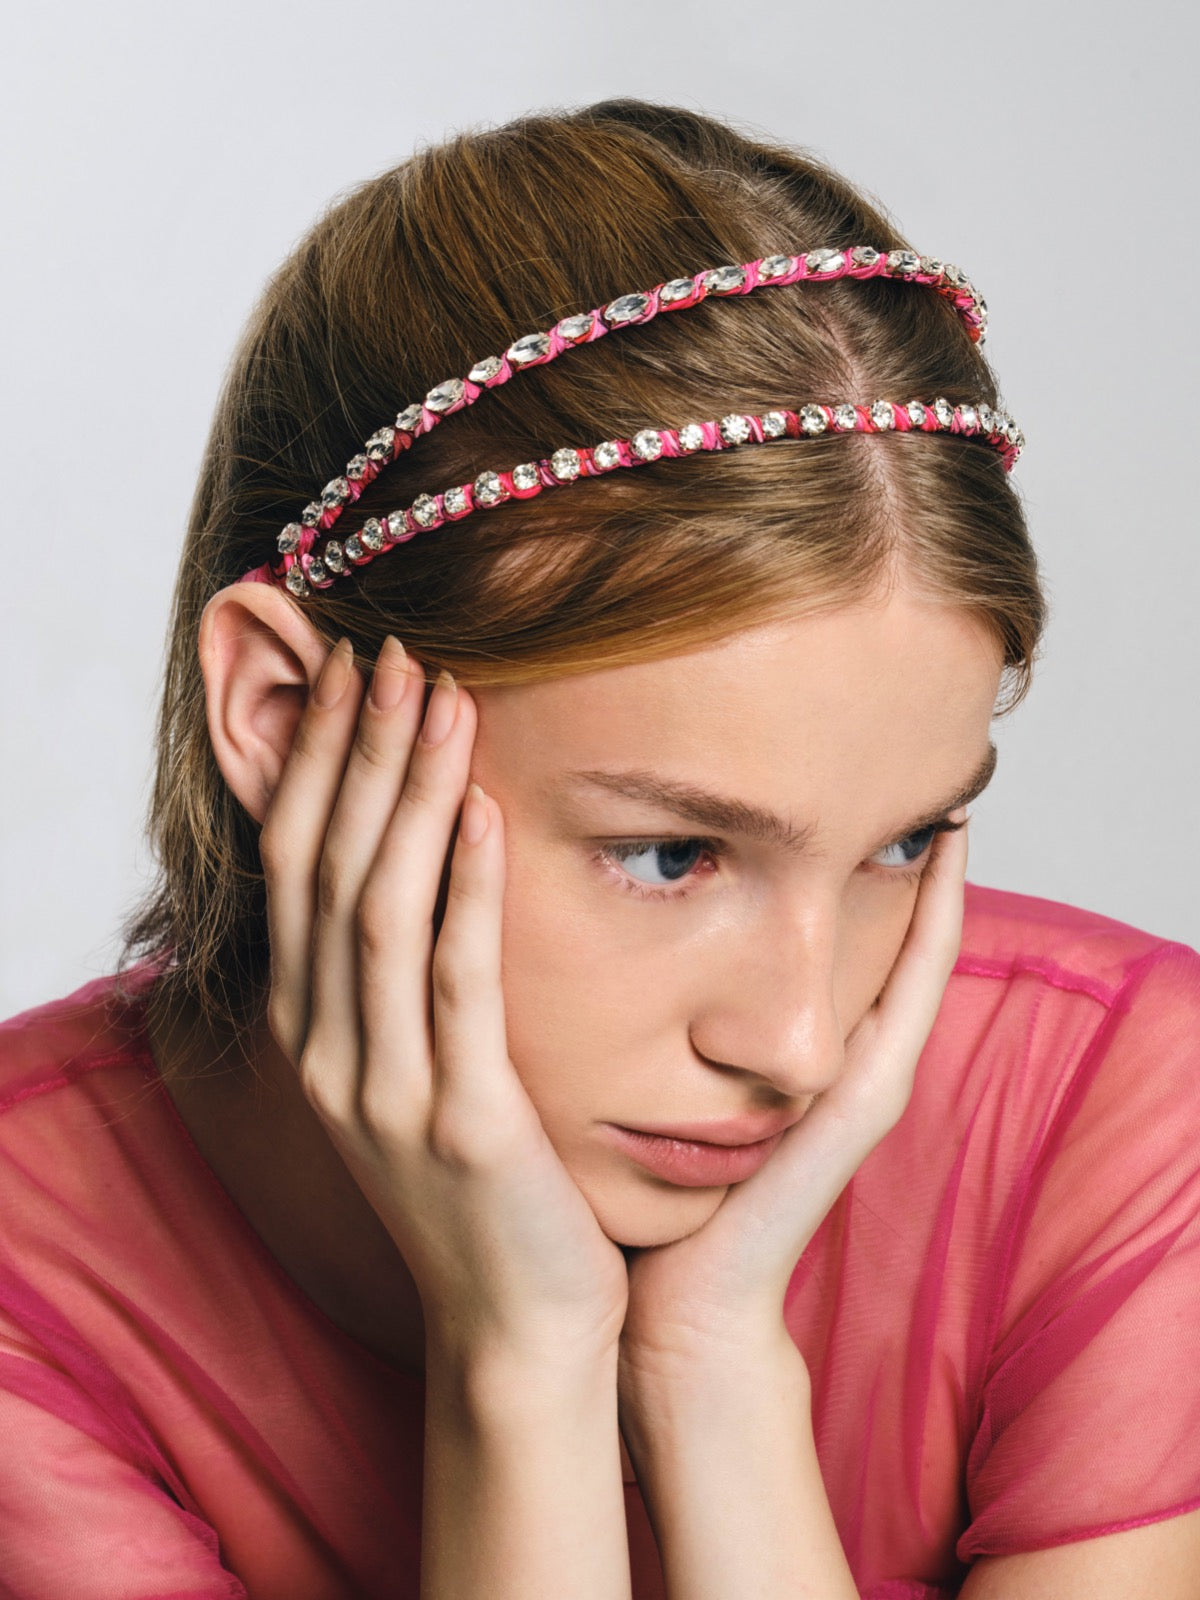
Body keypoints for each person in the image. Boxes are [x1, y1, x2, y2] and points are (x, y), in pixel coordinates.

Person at [0, 97, 1197, 1600]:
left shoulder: (1109, 1108)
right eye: (672, 856)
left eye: (902, 843)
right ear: (289, 717)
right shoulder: (29, 1290)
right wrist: (527, 1365)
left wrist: (713, 1374)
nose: (805, 1041)